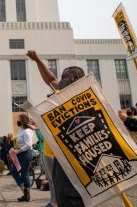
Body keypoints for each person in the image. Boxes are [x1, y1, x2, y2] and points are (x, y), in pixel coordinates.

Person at [27, 50, 86, 207]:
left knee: (73, 193)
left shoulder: (86, 95)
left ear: (76, 78)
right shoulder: (62, 93)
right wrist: (37, 60)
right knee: (60, 187)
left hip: (77, 155)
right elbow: (50, 79)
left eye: (64, 77)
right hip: (59, 153)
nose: (60, 81)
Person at [10, 114, 33, 202]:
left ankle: (26, 194)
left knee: (24, 173)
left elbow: (28, 145)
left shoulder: (27, 131)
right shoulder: (20, 130)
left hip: (25, 153)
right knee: (14, 172)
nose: (18, 121)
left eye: (19, 119)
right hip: (19, 154)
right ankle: (25, 192)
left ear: (23, 121)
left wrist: (18, 151)